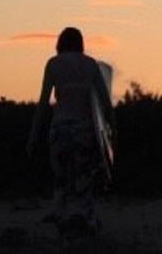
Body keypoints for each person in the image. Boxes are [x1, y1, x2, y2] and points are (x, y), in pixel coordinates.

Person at [27, 27, 115, 236]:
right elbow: (104, 103)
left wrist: (33, 135)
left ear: (60, 44)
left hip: (59, 130)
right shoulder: (91, 65)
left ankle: (61, 218)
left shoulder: (53, 64)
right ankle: (91, 221)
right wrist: (113, 131)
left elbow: (43, 103)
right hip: (85, 131)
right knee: (84, 179)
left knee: (61, 178)